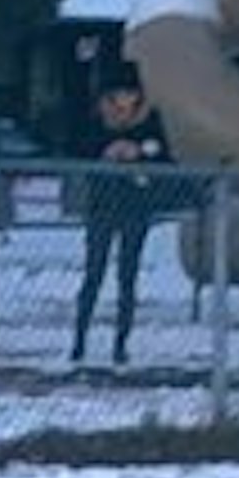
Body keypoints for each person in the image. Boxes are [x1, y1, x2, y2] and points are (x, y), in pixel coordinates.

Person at [69, 63, 170, 368]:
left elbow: (163, 157)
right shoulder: (96, 121)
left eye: (130, 95)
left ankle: (121, 344)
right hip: (101, 206)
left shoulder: (150, 121)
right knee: (93, 274)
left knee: (128, 276)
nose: (124, 101)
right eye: (118, 95)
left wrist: (139, 153)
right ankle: (79, 341)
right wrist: (106, 153)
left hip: (135, 207)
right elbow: (80, 148)